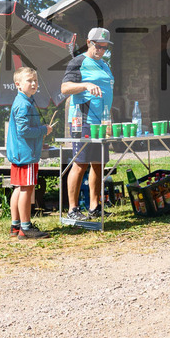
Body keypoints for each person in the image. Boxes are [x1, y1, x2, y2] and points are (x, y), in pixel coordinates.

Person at [61, 28, 115, 220]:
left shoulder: (104, 65)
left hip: (101, 122)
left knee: (99, 164)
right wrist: (85, 85)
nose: (101, 50)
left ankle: (95, 207)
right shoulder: (79, 62)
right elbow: (65, 88)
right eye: (98, 46)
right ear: (88, 42)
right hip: (82, 121)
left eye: (105, 47)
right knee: (80, 164)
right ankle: (73, 209)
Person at [8, 66, 54, 239]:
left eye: (35, 80)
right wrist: (43, 130)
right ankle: (26, 228)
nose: (34, 83)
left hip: (21, 153)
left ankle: (15, 225)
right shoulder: (23, 104)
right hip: (26, 154)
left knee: (19, 188)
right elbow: (24, 131)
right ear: (18, 84)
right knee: (27, 188)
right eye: (29, 80)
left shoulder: (26, 101)